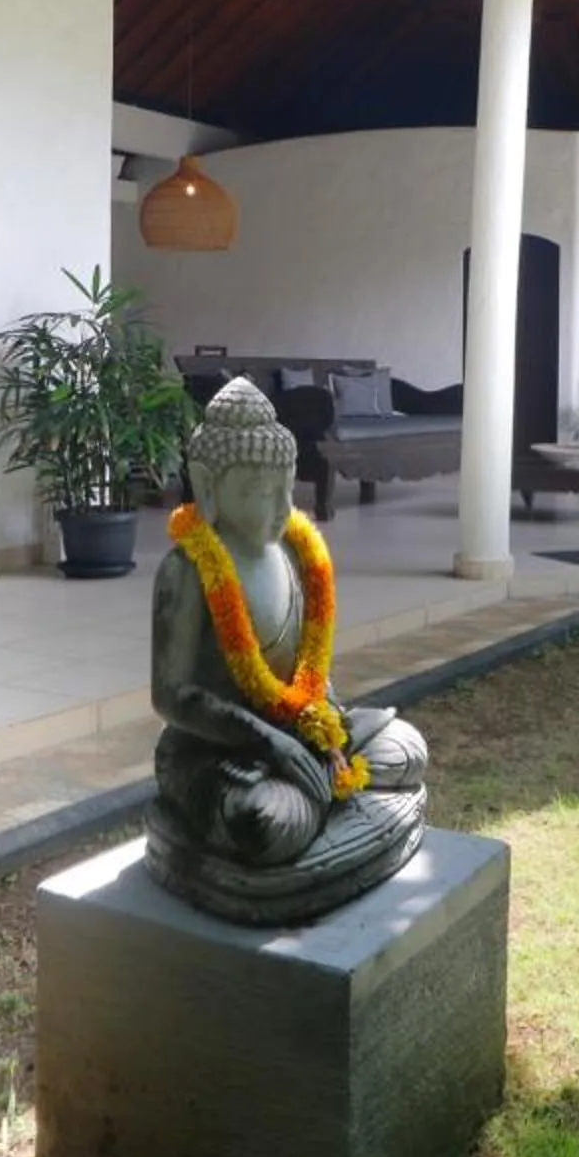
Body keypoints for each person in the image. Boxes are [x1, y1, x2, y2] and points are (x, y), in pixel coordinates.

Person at [145, 379, 425, 922]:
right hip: (216, 751)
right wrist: (271, 744)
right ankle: (314, 809)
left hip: (299, 727)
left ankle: (323, 791)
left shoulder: (295, 554)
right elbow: (172, 696)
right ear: (208, 487)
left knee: (407, 749)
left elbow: (308, 670)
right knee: (263, 825)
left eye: (286, 487)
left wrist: (328, 732)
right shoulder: (186, 571)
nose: (280, 507)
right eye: (257, 491)